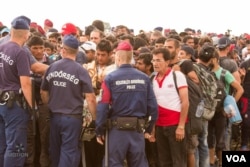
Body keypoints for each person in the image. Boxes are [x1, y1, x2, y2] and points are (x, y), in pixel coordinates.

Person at [95, 41, 158, 167]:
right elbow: (153, 108)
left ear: (117, 57)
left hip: (116, 130)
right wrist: (149, 128)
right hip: (137, 130)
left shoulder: (110, 78)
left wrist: (99, 130)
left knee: (113, 163)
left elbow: (103, 106)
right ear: (132, 58)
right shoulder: (144, 78)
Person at [40, 35, 96, 167]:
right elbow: (91, 98)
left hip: (54, 116)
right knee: (69, 153)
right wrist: (95, 119)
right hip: (72, 118)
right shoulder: (81, 70)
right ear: (77, 52)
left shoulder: (51, 67)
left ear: (63, 50)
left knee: (55, 151)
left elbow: (43, 92)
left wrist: (50, 106)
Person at [0, 15, 32, 167]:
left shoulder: (1, 48)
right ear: (27, 34)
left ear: (11, 31)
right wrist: (32, 107)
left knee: (2, 145)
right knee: (16, 148)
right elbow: (25, 84)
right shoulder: (21, 53)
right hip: (15, 106)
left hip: (1, 102)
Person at [151, 47, 189, 167]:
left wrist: (181, 126)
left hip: (175, 126)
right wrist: (152, 129)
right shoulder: (153, 79)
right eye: (153, 60)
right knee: (163, 161)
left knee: (179, 161)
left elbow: (185, 102)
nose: (155, 63)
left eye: (158, 60)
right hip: (159, 126)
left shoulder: (177, 75)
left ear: (167, 62)